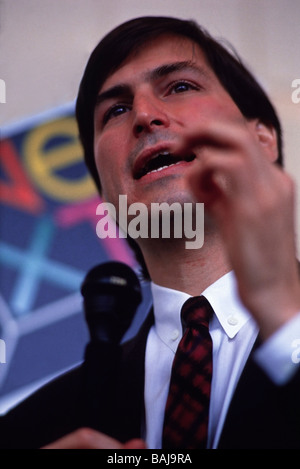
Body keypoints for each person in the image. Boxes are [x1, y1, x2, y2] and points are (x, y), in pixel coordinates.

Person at [0, 16, 300, 449]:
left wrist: (285, 318)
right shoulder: (35, 430)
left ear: (261, 138)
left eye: (180, 86)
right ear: (104, 193)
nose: (144, 115)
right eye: (116, 111)